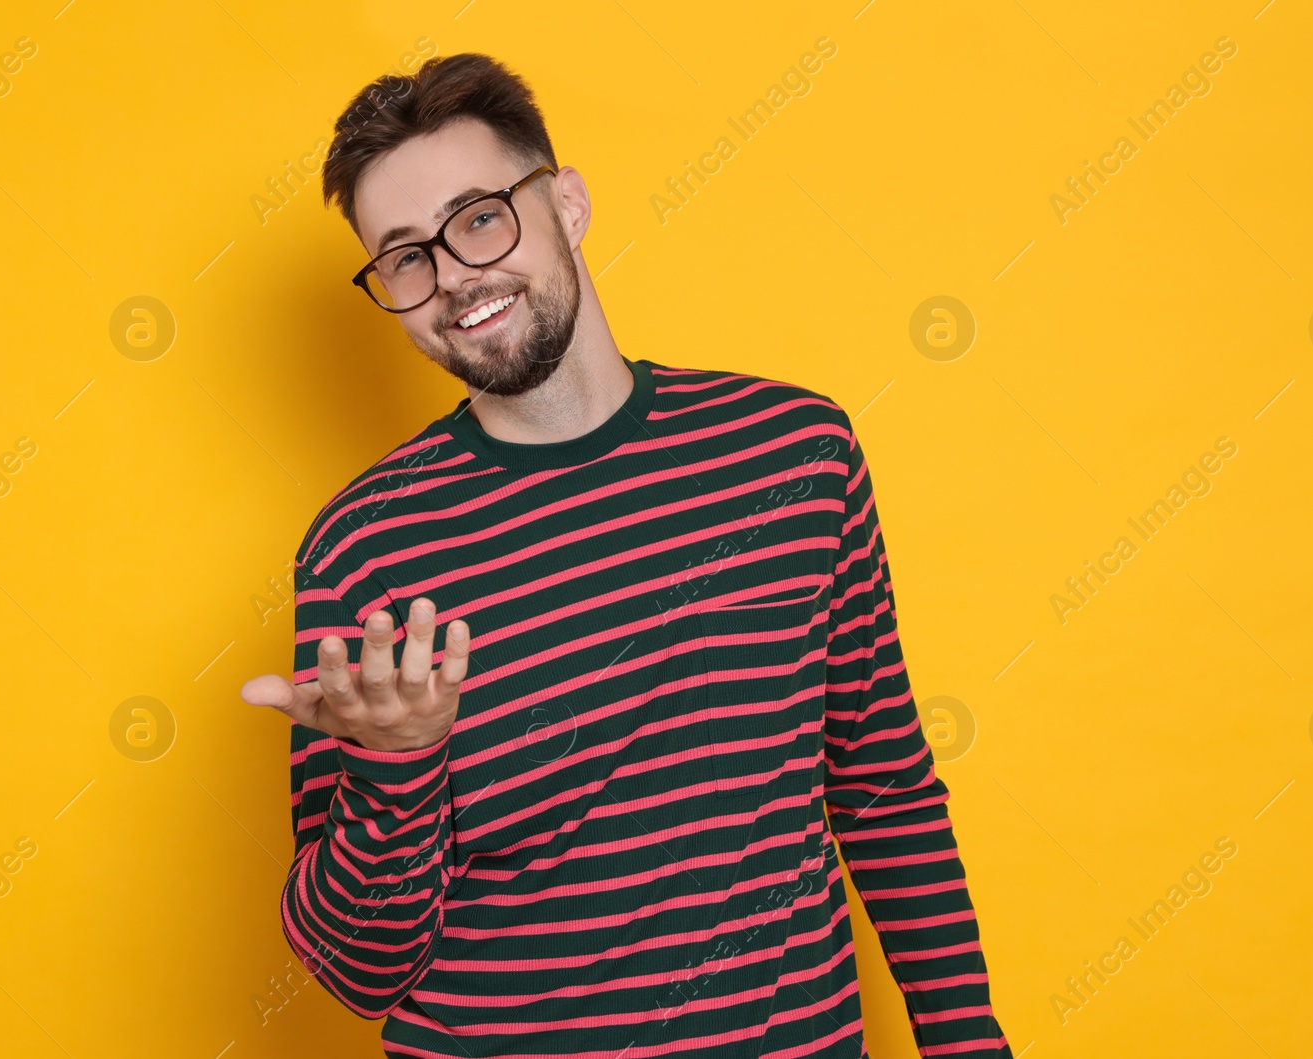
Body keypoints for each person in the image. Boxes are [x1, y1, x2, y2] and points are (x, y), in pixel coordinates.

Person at [239, 51, 1013, 1059]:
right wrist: (396, 765)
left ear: (566, 204)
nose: (455, 277)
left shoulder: (792, 455)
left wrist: (967, 1043)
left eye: (480, 218)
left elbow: (881, 788)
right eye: (406, 258)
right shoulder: (367, 548)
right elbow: (358, 972)